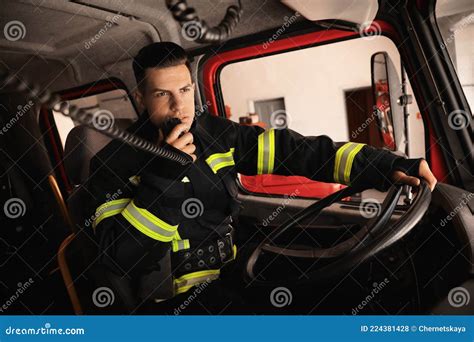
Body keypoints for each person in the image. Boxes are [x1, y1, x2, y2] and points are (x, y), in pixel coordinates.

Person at [84, 42, 437, 314]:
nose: (180, 107)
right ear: (141, 98)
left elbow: (295, 150)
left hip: (234, 272)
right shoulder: (112, 163)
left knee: (350, 288)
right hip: (172, 304)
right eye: (163, 94)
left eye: (186, 90)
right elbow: (120, 258)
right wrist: (164, 179)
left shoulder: (216, 135)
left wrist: (382, 163)